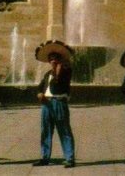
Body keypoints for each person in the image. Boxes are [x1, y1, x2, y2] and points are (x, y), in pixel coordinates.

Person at [33, 40, 76, 168]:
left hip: (58, 102)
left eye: (55, 59)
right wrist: (39, 93)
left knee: (64, 130)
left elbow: (61, 81)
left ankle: (69, 158)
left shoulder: (65, 71)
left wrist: (59, 68)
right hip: (46, 104)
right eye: (51, 59)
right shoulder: (47, 74)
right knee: (45, 131)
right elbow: (40, 87)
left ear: (59, 60)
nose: (53, 61)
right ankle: (44, 157)